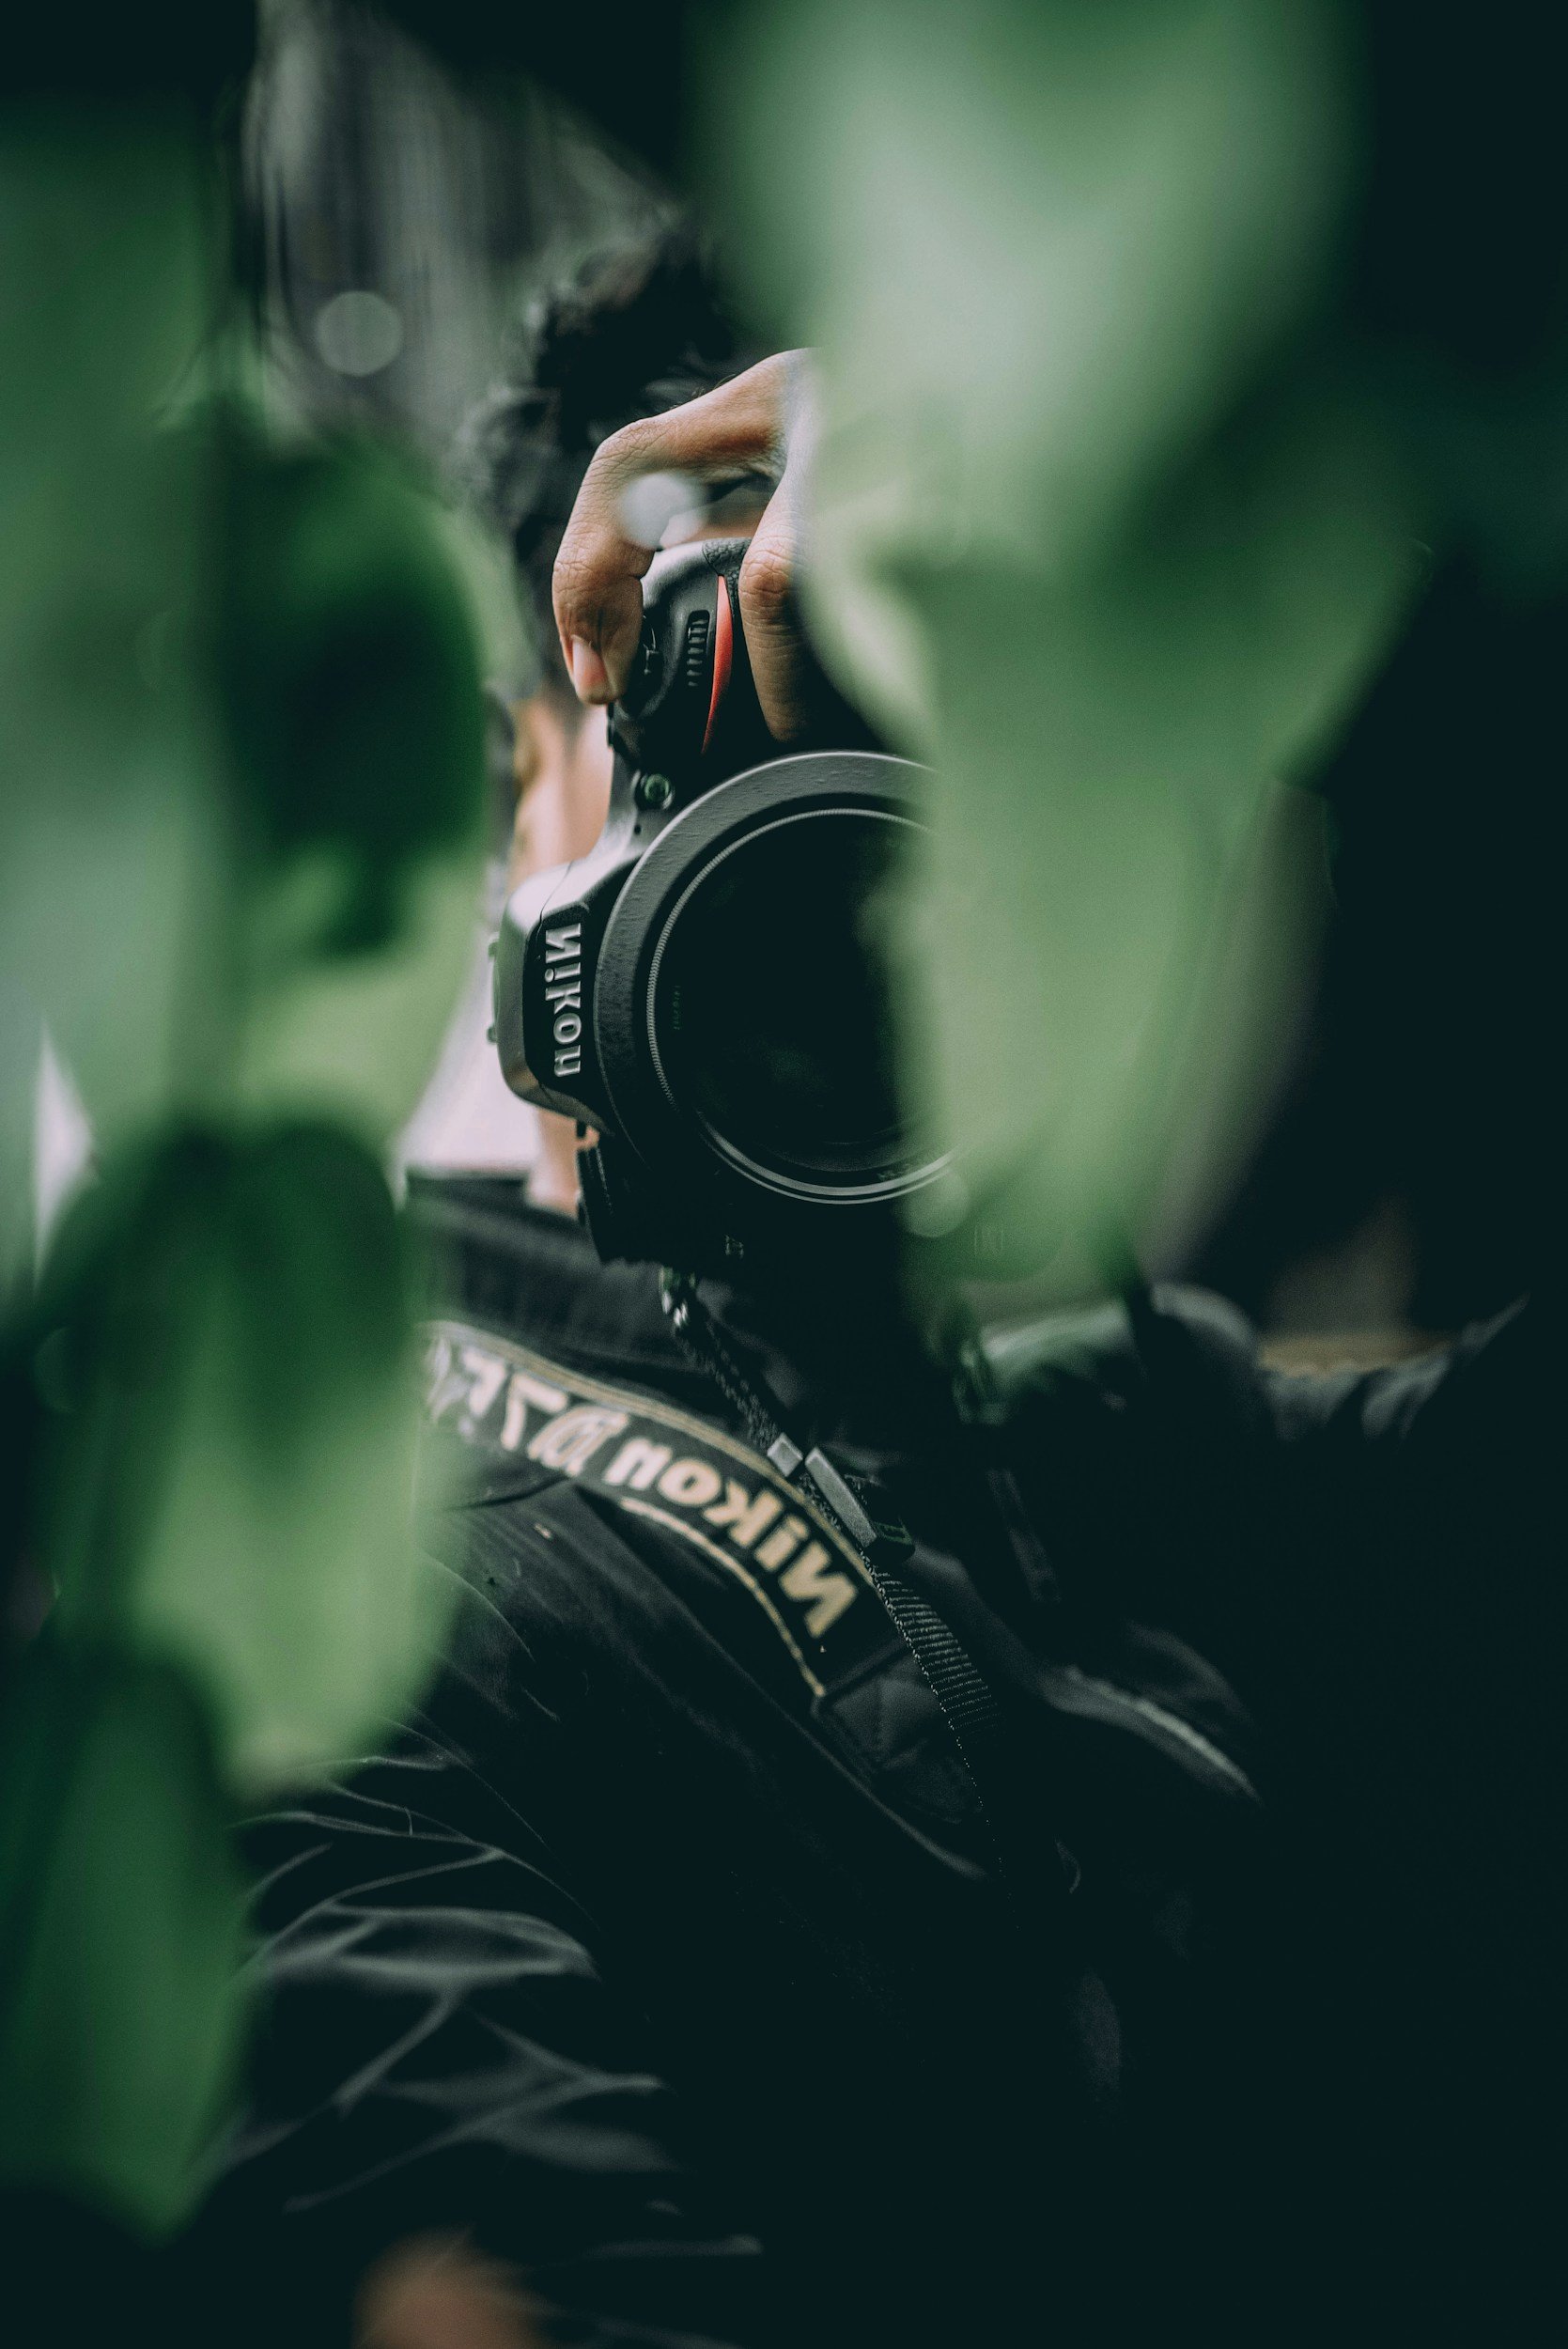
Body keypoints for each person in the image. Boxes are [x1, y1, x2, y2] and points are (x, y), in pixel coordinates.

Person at [202, 228, 1558, 2349]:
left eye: (908, 761)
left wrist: (1375, 521)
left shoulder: (1115, 1426)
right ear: (506, 798)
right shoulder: (315, 1556)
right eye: (706, 748)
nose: (838, 892)